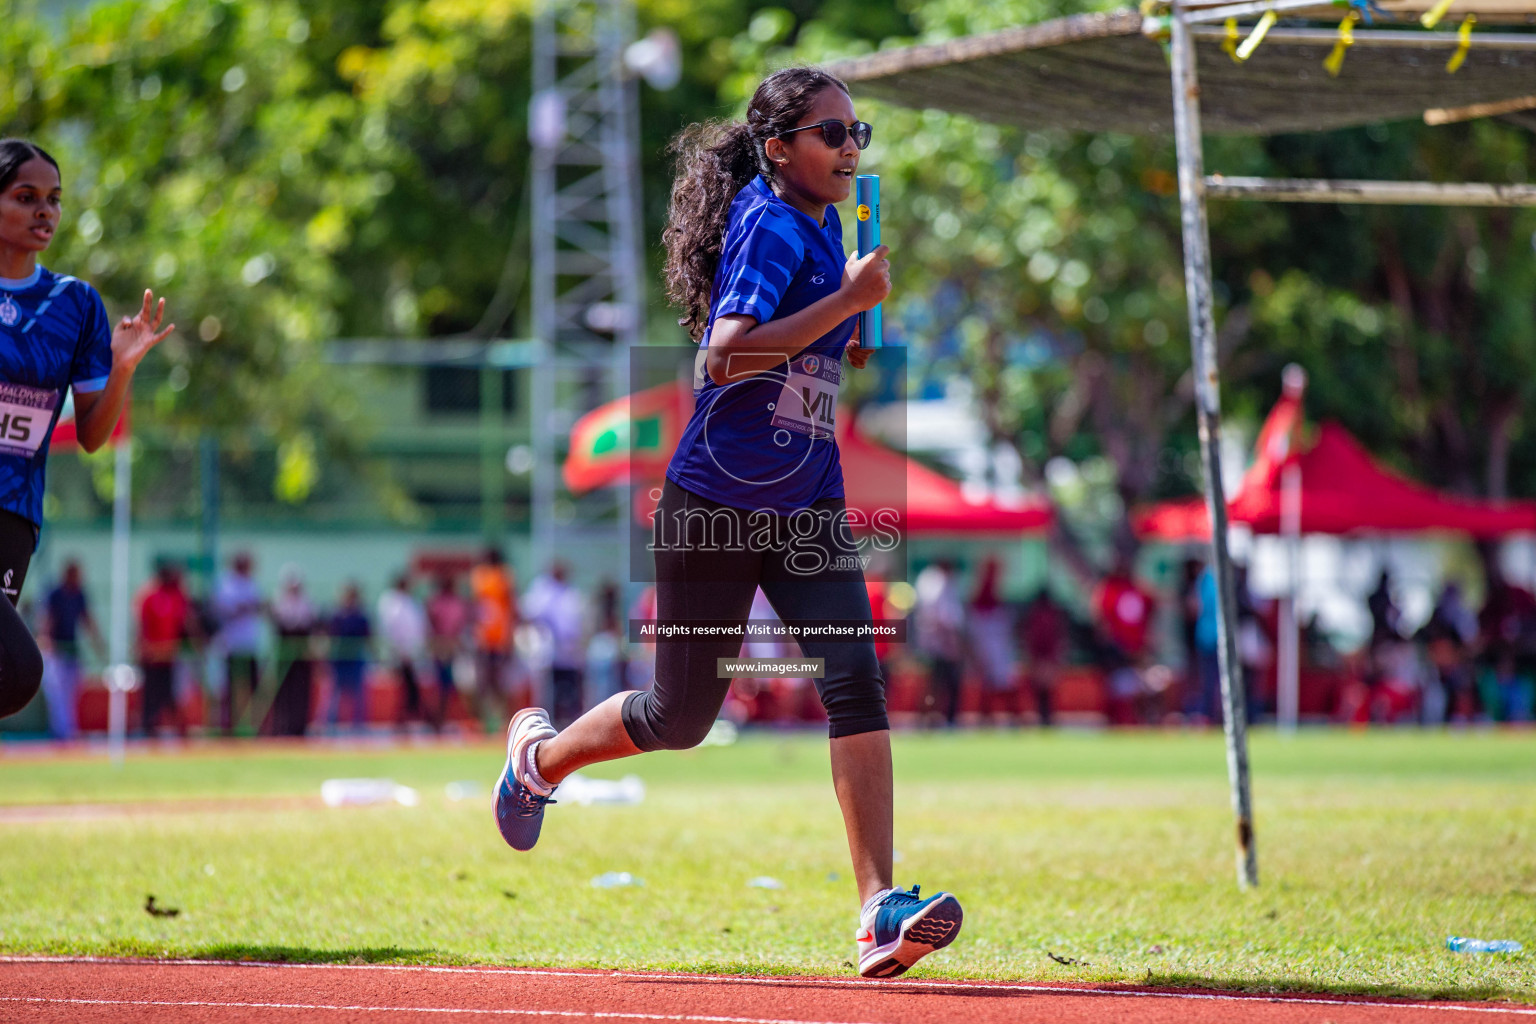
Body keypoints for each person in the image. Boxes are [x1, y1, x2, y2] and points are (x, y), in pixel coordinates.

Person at [490, 68, 961, 980]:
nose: (851, 148)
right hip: (715, 503)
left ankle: (876, 912)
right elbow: (724, 357)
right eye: (832, 133)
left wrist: (846, 326)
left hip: (806, 498)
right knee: (681, 717)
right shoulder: (768, 219)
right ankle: (538, 760)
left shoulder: (826, 223)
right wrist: (849, 305)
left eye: (858, 133)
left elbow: (806, 350)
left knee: (855, 682)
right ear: (778, 148)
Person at [0, 139, 173, 722]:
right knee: (21, 668)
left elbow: (95, 435)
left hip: (15, 511)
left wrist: (123, 367)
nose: (44, 211)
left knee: (6, 677)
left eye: (53, 200)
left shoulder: (74, 305)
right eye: (26, 198)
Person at [40, 559, 104, 740]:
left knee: (73, 692)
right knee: (57, 694)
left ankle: (70, 730)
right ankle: (62, 732)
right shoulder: (56, 594)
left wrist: (98, 644)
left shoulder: (79, 595)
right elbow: (47, 620)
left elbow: (88, 620)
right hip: (57, 651)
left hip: (72, 650)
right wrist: (46, 641)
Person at [521, 562, 586, 729]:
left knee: (568, 692)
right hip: (546, 651)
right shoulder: (542, 589)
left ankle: (568, 725)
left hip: (568, 653)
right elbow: (530, 614)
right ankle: (542, 725)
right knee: (545, 693)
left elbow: (577, 623)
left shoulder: (571, 592)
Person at [137, 559, 192, 736]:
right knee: (151, 696)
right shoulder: (149, 595)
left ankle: (179, 728)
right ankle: (148, 728)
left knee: (172, 694)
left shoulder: (177, 595)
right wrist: (142, 649)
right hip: (153, 656)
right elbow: (142, 625)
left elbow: (185, 622)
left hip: (171, 656)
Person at [213, 551, 264, 735]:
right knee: (230, 687)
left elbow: (259, 606)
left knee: (252, 686)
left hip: (250, 645)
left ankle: (250, 725)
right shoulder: (227, 584)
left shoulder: (251, 584)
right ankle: (227, 725)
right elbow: (225, 610)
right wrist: (246, 607)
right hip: (232, 645)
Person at [912, 561, 965, 727]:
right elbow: (944, 619)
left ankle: (929, 719)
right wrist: (952, 643)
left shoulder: (927, 581)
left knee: (934, 684)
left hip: (931, 643)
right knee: (942, 684)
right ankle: (940, 719)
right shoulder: (938, 583)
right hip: (941, 645)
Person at [968, 559, 1019, 726]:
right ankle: (988, 717)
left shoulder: (994, 593)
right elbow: (979, 626)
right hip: (989, 645)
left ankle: (1010, 716)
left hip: (999, 645)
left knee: (1003, 684)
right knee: (990, 685)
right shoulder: (983, 595)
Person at [377, 573, 430, 732]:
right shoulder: (391, 602)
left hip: (412, 654)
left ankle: (408, 719)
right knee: (403, 688)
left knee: (411, 688)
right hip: (399, 654)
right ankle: (401, 720)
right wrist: (398, 650)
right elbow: (390, 629)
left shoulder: (410, 601)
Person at [270, 565, 318, 737]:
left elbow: (309, 626)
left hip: (301, 655)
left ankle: (300, 726)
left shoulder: (306, 602)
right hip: (284, 654)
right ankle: (283, 725)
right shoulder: (280, 601)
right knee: (284, 691)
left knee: (301, 691)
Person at [470, 548, 516, 727]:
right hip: (484, 638)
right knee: (482, 682)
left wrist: (509, 636)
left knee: (499, 682)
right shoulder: (479, 576)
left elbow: (511, 606)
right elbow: (476, 607)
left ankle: (506, 720)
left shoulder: (504, 576)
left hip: (499, 638)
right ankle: (484, 721)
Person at [426, 573, 470, 727]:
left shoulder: (453, 603)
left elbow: (459, 626)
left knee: (452, 686)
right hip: (441, 649)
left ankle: (445, 719)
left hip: (452, 649)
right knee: (441, 686)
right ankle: (438, 720)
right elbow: (433, 625)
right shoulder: (437, 603)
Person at [327, 583, 372, 732]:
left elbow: (368, 637)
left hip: (356, 659)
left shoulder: (361, 616)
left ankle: (358, 726)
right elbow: (330, 638)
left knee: (359, 694)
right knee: (334, 695)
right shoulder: (337, 616)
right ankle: (330, 725)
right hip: (339, 659)